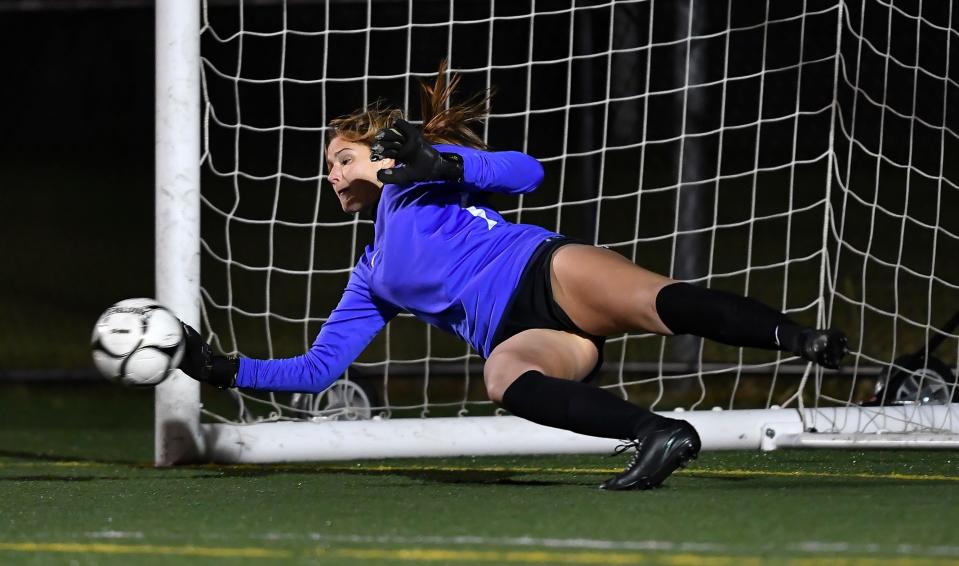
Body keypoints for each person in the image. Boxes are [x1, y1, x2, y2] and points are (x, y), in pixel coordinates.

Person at [178, 61, 848, 490]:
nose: (332, 173)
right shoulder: (371, 274)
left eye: (343, 158)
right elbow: (320, 369)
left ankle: (795, 337)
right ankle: (657, 433)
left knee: (656, 302)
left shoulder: (424, 184)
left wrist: (438, 164)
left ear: (381, 160)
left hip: (545, 270)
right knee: (501, 379)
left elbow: (527, 173)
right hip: (517, 332)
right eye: (330, 164)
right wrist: (223, 368)